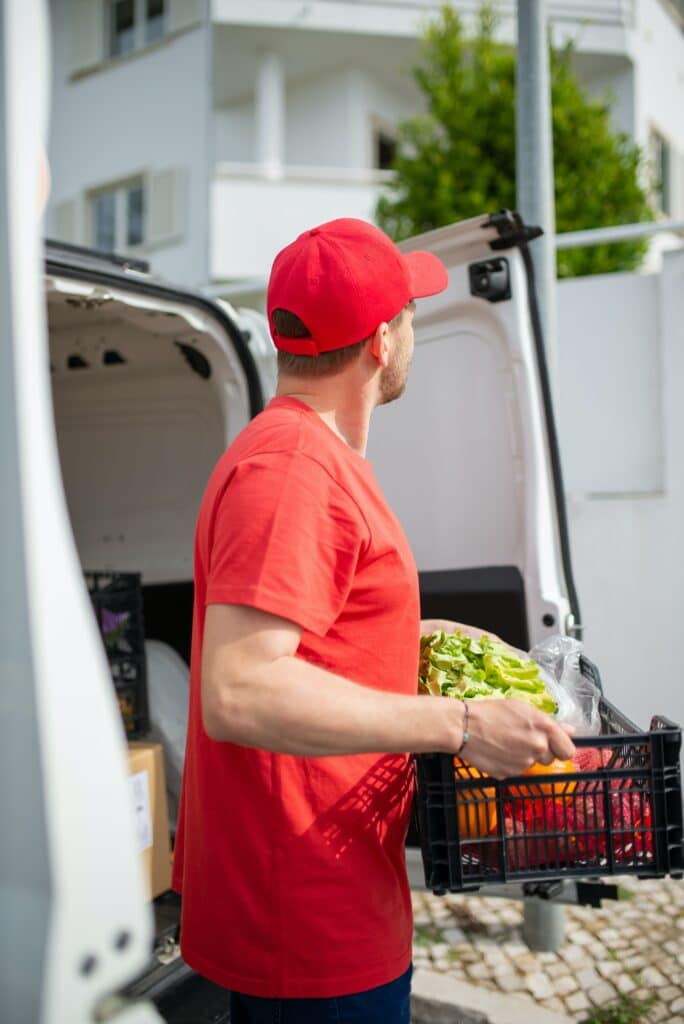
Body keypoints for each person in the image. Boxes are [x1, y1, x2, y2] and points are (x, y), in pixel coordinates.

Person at [171, 218, 575, 1023]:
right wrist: (461, 722)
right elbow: (240, 689)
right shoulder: (290, 470)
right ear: (382, 343)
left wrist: (434, 640)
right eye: (410, 312)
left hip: (329, 895)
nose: (413, 327)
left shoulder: (303, 457)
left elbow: (314, 639)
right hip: (308, 922)